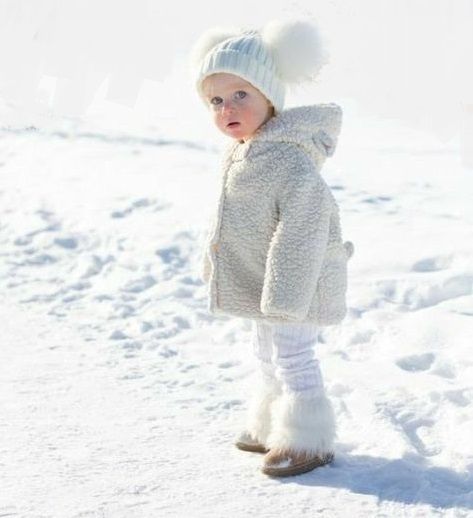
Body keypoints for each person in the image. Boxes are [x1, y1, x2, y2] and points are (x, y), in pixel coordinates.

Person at [188, 18, 354, 477]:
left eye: (241, 94)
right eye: (216, 100)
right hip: (265, 285)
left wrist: (285, 298)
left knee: (293, 357)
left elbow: (302, 231)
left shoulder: (289, 159)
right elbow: (227, 215)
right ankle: (269, 424)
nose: (227, 108)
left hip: (296, 288)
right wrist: (212, 257)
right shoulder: (244, 152)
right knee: (265, 353)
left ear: (270, 97)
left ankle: (308, 439)